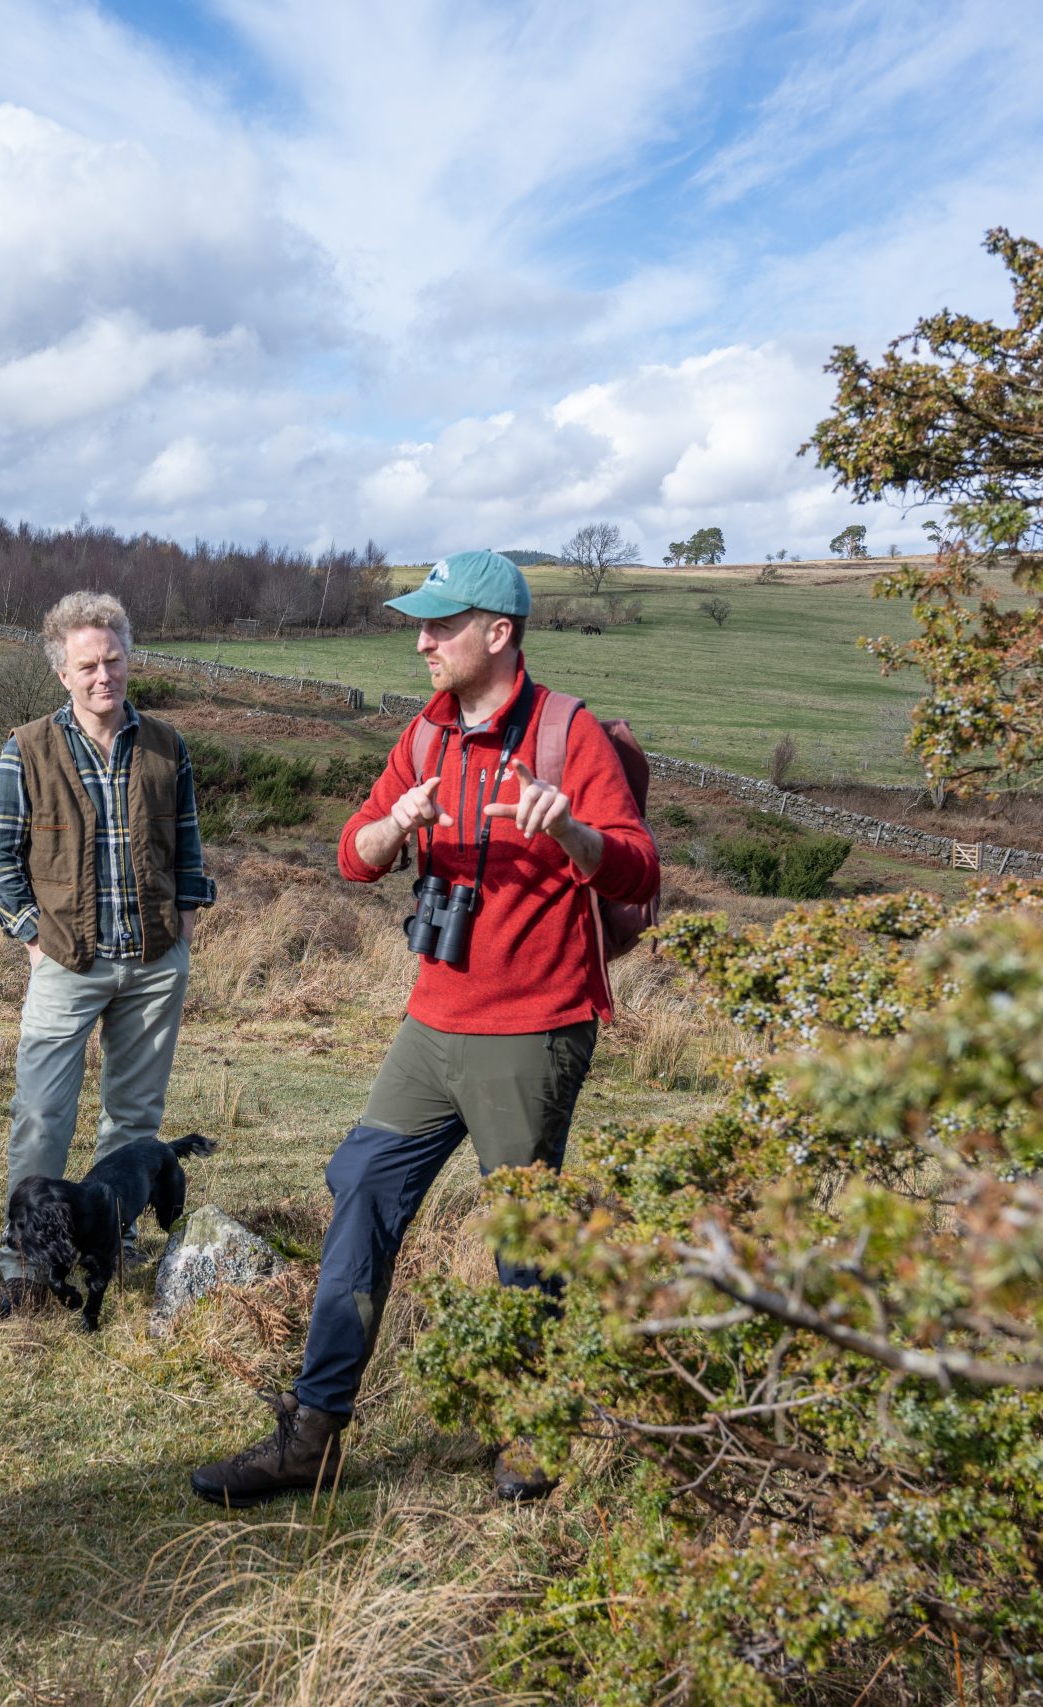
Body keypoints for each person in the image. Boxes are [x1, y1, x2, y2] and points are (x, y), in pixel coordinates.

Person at [188, 550, 659, 1506]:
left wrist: (571, 831)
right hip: (432, 1023)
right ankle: (312, 1435)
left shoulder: (568, 733)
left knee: (523, 1231)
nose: (422, 642)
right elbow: (353, 856)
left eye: (441, 625)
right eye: (421, 625)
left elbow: (639, 868)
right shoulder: (426, 731)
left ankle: (534, 1424)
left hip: (535, 1026)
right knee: (362, 1187)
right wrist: (393, 825)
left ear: (499, 632)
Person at [0, 591, 215, 1317]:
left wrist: (182, 933)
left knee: (134, 1119)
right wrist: (32, 938)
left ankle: (118, 1240)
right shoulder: (27, 748)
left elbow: (189, 846)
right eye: (87, 665)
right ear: (63, 673)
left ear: (129, 658)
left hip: (153, 961)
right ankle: (25, 1267)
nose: (103, 675)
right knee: (41, 1115)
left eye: (113, 659)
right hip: (66, 961)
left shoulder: (167, 745)